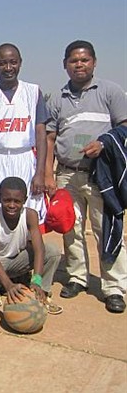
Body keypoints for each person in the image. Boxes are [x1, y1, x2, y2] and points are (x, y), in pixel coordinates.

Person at [45, 40, 127, 313]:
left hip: (100, 176)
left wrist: (104, 143)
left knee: (106, 228)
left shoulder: (110, 91)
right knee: (71, 228)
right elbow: (51, 137)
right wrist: (48, 172)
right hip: (67, 175)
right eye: (73, 61)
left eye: (84, 60)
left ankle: (114, 286)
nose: (79, 65)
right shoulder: (58, 98)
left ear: (94, 62)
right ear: (65, 64)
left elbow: (125, 126)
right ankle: (78, 277)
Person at [0, 43, 49, 230]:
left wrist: (40, 173)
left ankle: (29, 257)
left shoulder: (33, 92)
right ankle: (0, 257)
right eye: (2, 63)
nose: (8, 68)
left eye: (13, 62)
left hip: (24, 158)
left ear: (20, 63)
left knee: (30, 211)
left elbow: (41, 135)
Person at [0, 177, 62, 314]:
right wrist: (8, 285)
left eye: (17, 201)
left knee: (53, 251)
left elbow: (39, 250)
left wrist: (37, 280)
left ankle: (41, 292)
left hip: (17, 260)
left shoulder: (30, 215)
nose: (11, 205)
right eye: (7, 200)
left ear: (25, 200)